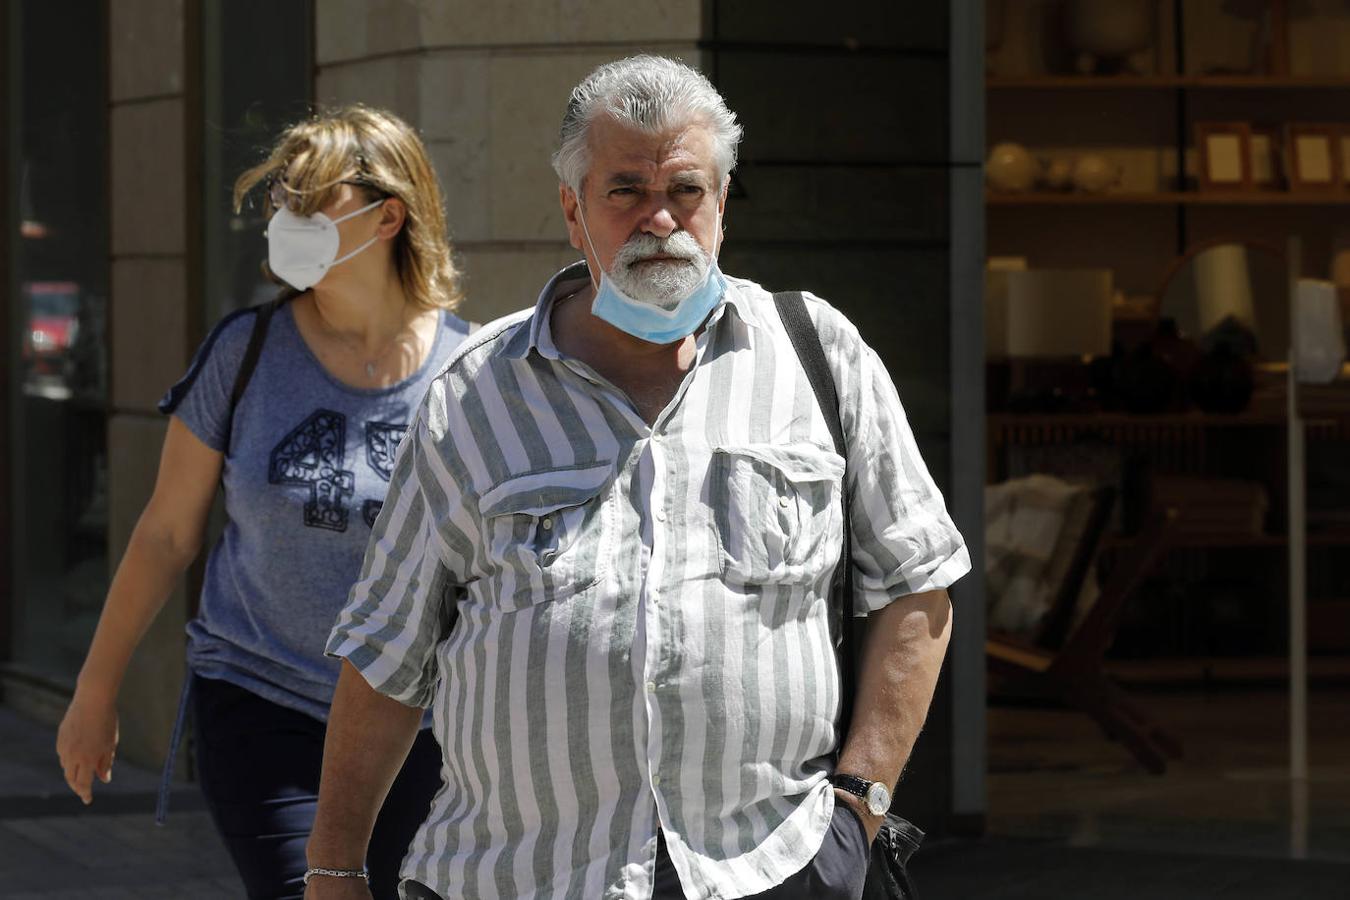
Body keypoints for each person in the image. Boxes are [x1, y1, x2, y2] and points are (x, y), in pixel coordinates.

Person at [307, 57, 969, 900]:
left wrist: (860, 804)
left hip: (769, 868)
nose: (661, 219)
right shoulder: (473, 394)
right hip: (520, 878)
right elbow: (385, 650)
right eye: (624, 191)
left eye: (686, 189)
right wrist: (332, 867)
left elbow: (918, 583)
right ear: (572, 210)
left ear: (723, 201)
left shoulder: (819, 356)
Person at [55, 105, 475, 900]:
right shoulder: (243, 352)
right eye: (286, 200)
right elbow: (165, 533)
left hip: (419, 724)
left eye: (316, 202)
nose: (291, 221)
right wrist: (95, 690)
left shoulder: (469, 372)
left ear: (389, 215)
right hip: (262, 701)